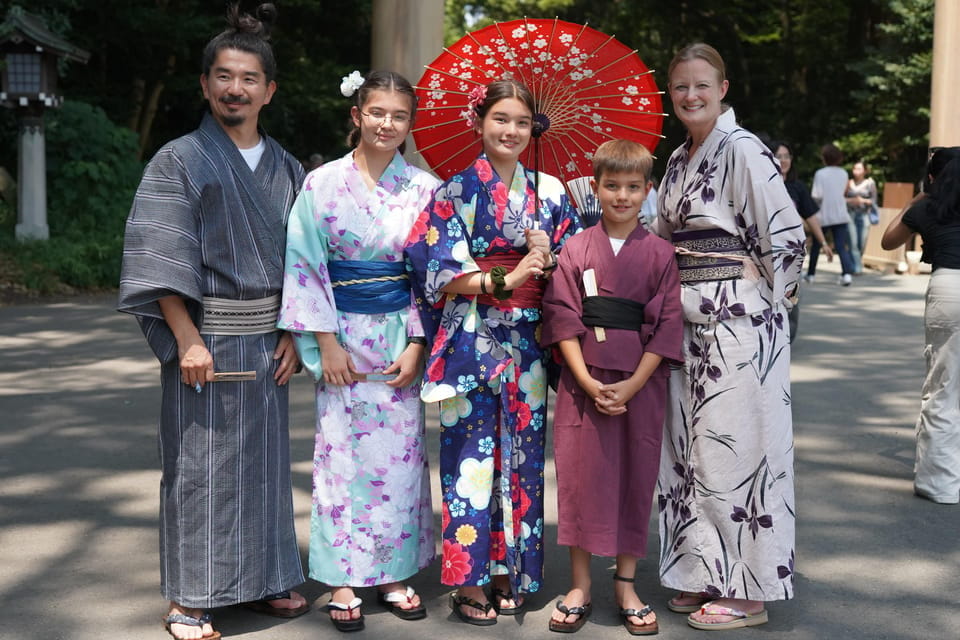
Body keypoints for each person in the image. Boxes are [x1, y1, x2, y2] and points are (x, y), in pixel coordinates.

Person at [117, 4, 308, 639]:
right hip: (203, 338)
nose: (235, 88)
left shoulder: (287, 168)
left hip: (268, 339)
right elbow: (160, 253)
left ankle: (264, 578)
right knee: (200, 469)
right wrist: (187, 338)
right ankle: (191, 598)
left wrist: (291, 331)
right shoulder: (179, 159)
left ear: (269, 90)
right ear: (205, 85)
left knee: (264, 466)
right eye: (223, 76)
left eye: (249, 78)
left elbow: (307, 261)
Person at [405, 79, 581, 625]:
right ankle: (471, 578)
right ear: (479, 122)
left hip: (529, 342)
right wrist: (507, 275)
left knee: (524, 458)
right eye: (500, 119)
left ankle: (512, 569)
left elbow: (576, 262)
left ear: (534, 129)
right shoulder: (453, 191)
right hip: (472, 338)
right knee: (470, 459)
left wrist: (548, 254)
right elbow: (435, 268)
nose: (511, 131)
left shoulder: (550, 192)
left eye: (522, 122)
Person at [277, 70, 437, 632]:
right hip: (340, 334)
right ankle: (343, 575)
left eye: (399, 115)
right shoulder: (320, 184)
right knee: (341, 458)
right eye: (377, 113)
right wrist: (324, 341)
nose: (387, 124)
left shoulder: (423, 188)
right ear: (357, 115)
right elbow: (304, 262)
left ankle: (393, 572)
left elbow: (430, 275)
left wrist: (419, 343)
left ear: (409, 123)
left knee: (398, 459)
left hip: (399, 334)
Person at [652, 43, 804, 631]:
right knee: (694, 451)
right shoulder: (676, 159)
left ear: (723, 87)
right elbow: (660, 232)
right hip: (688, 318)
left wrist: (761, 299)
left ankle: (749, 590)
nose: (690, 96)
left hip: (738, 324)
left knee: (738, 449)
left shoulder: (743, 149)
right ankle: (703, 571)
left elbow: (784, 237)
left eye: (701, 86)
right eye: (681, 88)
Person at [541, 139, 683, 635]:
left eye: (632, 186)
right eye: (612, 185)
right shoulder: (575, 249)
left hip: (640, 383)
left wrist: (631, 385)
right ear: (596, 187)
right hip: (584, 381)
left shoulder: (661, 254)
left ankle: (625, 582)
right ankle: (579, 583)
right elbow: (561, 317)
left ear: (648, 190)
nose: (622, 196)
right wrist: (583, 378)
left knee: (635, 476)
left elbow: (667, 325)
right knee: (581, 478)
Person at [881, 146, 960, 505]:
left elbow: (889, 240)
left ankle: (940, 485)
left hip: (948, 289)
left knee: (943, 388)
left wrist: (918, 197)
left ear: (932, 177)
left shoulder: (929, 208)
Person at [770, 140, 833, 341]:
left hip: (792, 255)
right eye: (779, 156)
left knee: (793, 300)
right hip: (766, 252)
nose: (783, 160)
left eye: (787, 156)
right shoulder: (764, 184)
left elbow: (811, 216)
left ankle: (787, 340)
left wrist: (823, 242)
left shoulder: (797, 187)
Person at [808, 143, 856, 285]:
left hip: (823, 215)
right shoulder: (844, 173)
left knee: (817, 245)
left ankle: (811, 275)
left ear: (825, 158)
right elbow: (843, 192)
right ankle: (846, 274)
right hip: (841, 214)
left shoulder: (820, 173)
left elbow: (816, 195)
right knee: (841, 246)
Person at [847, 160, 879, 272]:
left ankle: (855, 263)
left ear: (865, 171)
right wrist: (852, 200)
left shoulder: (870, 183)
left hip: (865, 215)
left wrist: (863, 201)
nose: (856, 171)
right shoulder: (848, 182)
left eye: (859, 168)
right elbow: (841, 199)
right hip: (850, 214)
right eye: (854, 168)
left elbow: (874, 200)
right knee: (853, 241)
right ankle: (856, 267)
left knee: (862, 242)